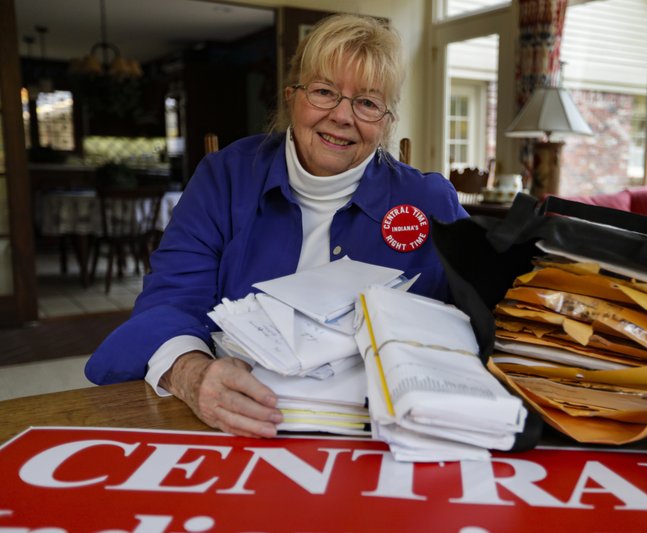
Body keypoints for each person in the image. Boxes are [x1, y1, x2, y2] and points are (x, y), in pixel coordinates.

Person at [85, 14, 468, 439]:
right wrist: (192, 375)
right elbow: (170, 299)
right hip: (243, 424)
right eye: (324, 92)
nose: (342, 116)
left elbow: (488, 311)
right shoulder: (224, 178)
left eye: (367, 102)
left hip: (385, 434)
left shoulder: (430, 201)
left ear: (387, 121)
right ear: (292, 98)